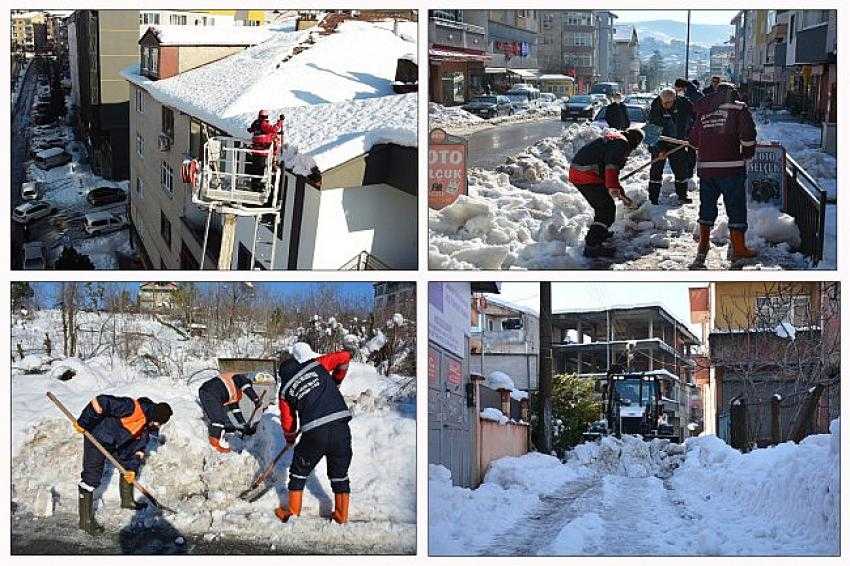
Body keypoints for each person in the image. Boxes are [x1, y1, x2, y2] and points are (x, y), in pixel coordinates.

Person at [274, 343, 353, 524]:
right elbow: (344, 357)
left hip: (314, 433)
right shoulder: (316, 364)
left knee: (298, 471)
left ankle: (293, 512)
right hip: (341, 428)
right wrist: (337, 380)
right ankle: (341, 515)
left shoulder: (285, 390)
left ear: (282, 376)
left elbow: (288, 422)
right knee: (339, 472)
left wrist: (290, 437)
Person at [73, 395, 172, 534]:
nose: (157, 426)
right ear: (155, 418)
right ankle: (85, 522)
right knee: (91, 477)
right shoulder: (132, 407)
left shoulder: (146, 427)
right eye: (158, 423)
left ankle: (127, 501)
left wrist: (131, 469)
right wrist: (83, 421)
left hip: (115, 442)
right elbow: (101, 401)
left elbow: (136, 449)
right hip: (97, 436)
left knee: (128, 465)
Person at [688, 82, 758, 267]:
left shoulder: (703, 111)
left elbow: (693, 141)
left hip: (707, 169)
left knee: (707, 207)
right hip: (731, 168)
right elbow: (748, 136)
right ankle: (739, 248)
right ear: (733, 93)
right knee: (735, 207)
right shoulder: (738, 108)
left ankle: (703, 246)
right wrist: (747, 154)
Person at [567, 128, 645, 258]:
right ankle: (592, 246)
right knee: (607, 210)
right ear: (635, 142)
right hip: (586, 174)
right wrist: (613, 187)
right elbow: (611, 167)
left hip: (580, 171)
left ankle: (600, 231)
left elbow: (607, 169)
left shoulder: (616, 138)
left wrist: (619, 191)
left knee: (602, 205)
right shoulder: (622, 143)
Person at [647, 88, 694, 205]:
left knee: (681, 170)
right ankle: (653, 199)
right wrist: (659, 150)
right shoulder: (656, 107)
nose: (665, 105)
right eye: (663, 102)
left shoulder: (684, 104)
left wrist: (690, 134)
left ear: (674, 99)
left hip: (678, 142)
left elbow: (694, 118)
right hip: (660, 141)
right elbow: (651, 132)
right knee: (656, 171)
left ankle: (682, 195)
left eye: (668, 103)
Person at [199, 371, 264, 453]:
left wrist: (244, 425)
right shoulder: (239, 377)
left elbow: (236, 410)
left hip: (210, 393)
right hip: (210, 391)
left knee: (218, 418)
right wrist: (255, 399)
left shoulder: (234, 393)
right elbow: (246, 386)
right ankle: (214, 447)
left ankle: (215, 445)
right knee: (218, 420)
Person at [246, 110, 284, 191]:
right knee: (260, 168)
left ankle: (255, 184)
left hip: (256, 150)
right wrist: (280, 122)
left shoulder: (256, 123)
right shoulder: (263, 124)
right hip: (262, 151)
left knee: (256, 168)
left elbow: (251, 129)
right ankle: (256, 186)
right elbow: (273, 129)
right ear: (266, 117)